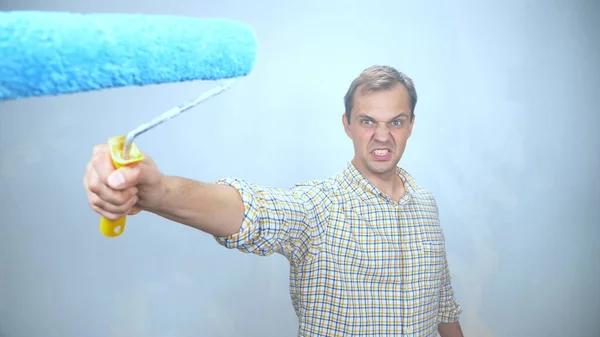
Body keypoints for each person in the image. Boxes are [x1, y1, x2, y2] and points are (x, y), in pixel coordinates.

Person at [83, 65, 464, 336]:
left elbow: (442, 301)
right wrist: (159, 192)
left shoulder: (425, 205)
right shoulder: (318, 207)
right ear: (347, 125)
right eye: (368, 121)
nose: (382, 136)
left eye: (395, 122)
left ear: (411, 125)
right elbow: (252, 211)